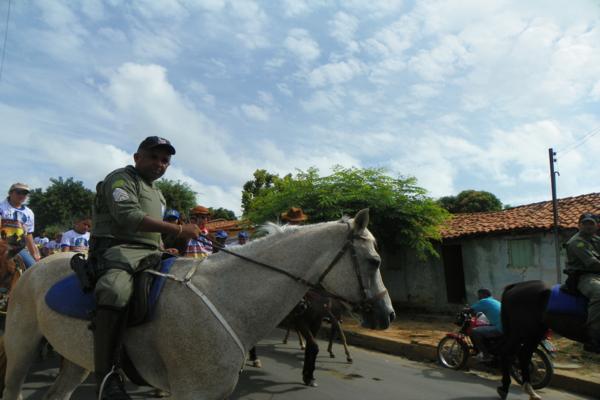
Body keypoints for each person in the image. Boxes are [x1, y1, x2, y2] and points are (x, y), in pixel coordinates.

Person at [89, 136, 200, 399]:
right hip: (117, 250)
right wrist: (179, 229)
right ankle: (107, 378)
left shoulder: (158, 193)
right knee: (115, 291)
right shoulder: (120, 179)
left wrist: (166, 244)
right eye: (153, 157)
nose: (159, 164)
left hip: (151, 253)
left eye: (165, 160)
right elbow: (128, 217)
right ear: (137, 157)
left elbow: (152, 233)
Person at [565, 212, 600, 353]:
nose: (588, 226)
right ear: (579, 225)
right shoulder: (576, 242)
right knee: (599, 293)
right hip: (584, 277)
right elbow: (593, 264)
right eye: (585, 223)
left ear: (596, 226)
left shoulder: (596, 239)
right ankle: (593, 336)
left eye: (591, 223)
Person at [0, 183, 40, 267]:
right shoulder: (1, 208)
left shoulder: (29, 213)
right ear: (10, 193)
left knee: (33, 267)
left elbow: (29, 235)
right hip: (2, 245)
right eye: (18, 192)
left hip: (17, 248)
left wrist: (34, 253)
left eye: (25, 193)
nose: (21, 195)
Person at [469, 288, 502, 360]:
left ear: (484, 295)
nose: (478, 297)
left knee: (474, 331)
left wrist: (464, 309)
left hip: (500, 328)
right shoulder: (494, 301)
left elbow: (471, 310)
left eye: (479, 295)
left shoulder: (484, 301)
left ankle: (485, 355)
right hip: (505, 326)